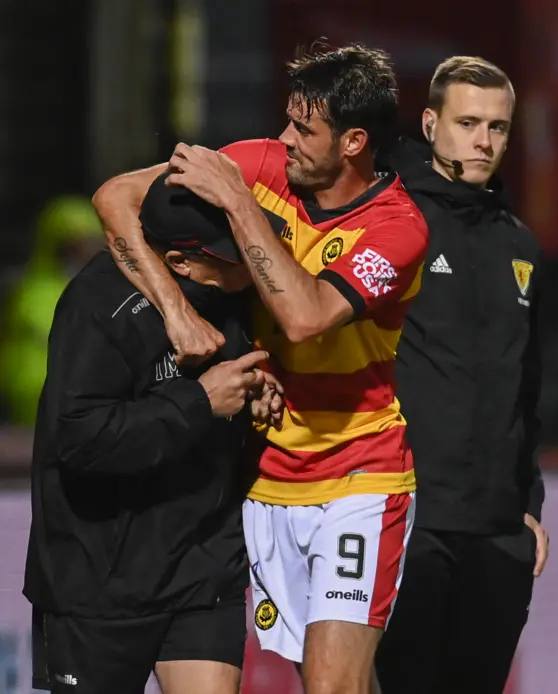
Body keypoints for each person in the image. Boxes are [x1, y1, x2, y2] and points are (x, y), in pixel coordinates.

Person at [92, 44, 429, 694]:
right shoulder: (259, 162)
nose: (284, 140)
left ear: (354, 141)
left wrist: (241, 206)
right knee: (334, 680)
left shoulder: (397, 230)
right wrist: (179, 317)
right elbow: (115, 198)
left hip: (359, 473)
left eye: (304, 129)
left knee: (333, 684)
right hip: (266, 476)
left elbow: (305, 316)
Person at [24, 172, 285, 694]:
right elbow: (79, 440)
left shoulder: (233, 293)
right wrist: (200, 402)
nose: (252, 257)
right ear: (181, 262)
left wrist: (254, 393)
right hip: (98, 581)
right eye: (231, 251)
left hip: (204, 568)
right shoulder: (95, 305)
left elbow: (227, 390)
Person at [374, 56, 550, 694]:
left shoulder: (520, 246)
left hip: (499, 533)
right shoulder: (392, 226)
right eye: (468, 122)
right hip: (412, 520)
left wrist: (526, 506)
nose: (484, 141)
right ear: (430, 123)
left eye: (498, 127)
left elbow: (527, 391)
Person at [0, 196, 103, 425]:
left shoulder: (98, 289)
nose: (84, 252)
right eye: (74, 246)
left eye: (89, 243)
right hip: (32, 403)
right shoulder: (33, 290)